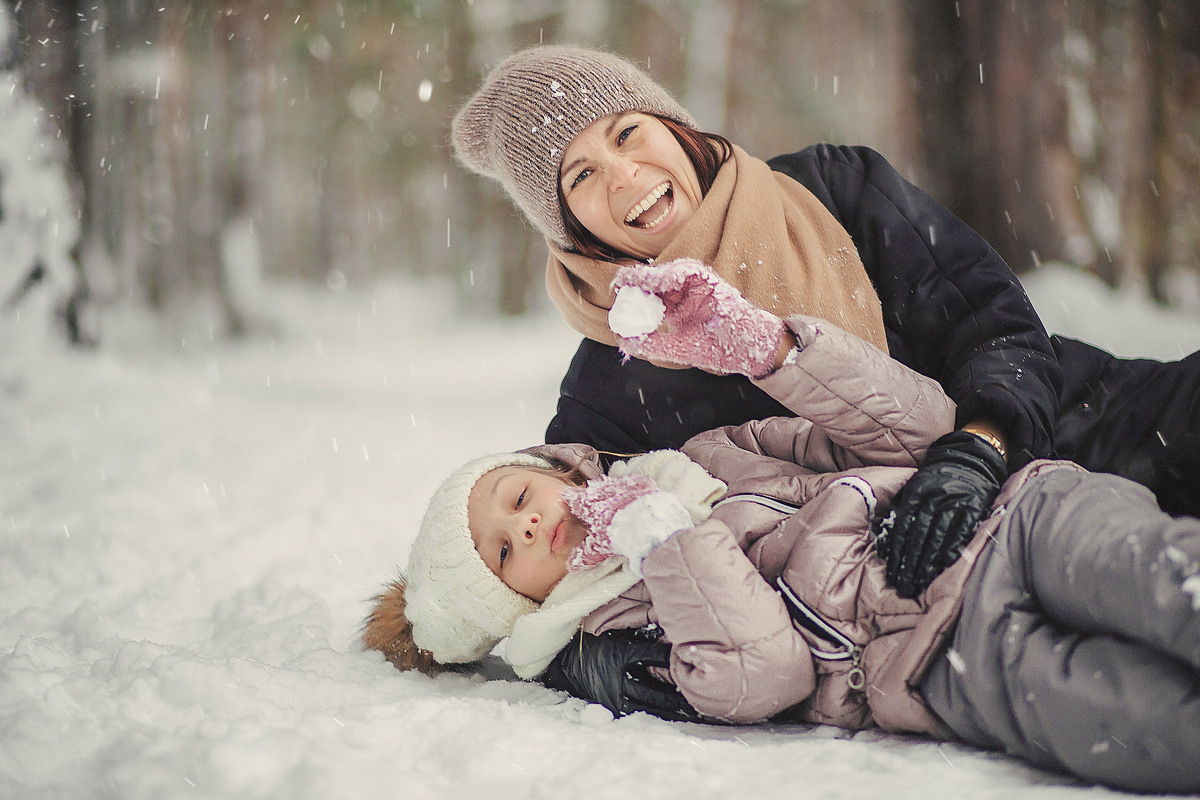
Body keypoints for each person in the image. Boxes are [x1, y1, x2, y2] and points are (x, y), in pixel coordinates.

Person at [364, 260, 1200, 794]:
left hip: (1016, 516)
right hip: (940, 663)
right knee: (1149, 722)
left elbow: (918, 429)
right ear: (519, 604)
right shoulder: (612, 636)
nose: (529, 525)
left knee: (1169, 580)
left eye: (514, 497)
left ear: (551, 470)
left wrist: (774, 353)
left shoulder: (702, 460)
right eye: (503, 555)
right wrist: (662, 542)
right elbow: (766, 674)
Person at [449, 44, 1200, 601]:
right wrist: (595, 662)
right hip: (950, 579)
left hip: (1083, 427)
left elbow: (998, 330)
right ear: (567, 228)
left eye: (625, 133)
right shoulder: (607, 386)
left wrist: (977, 448)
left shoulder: (835, 187)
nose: (623, 175)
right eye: (579, 175)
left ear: (671, 127)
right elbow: (563, 559)